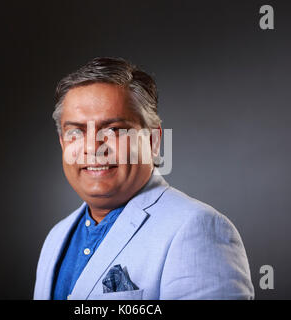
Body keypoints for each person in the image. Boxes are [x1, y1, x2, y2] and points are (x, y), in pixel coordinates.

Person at [33, 57, 254, 300]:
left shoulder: (197, 228)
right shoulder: (56, 237)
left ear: (153, 140)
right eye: (76, 131)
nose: (92, 147)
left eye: (114, 130)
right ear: (62, 142)